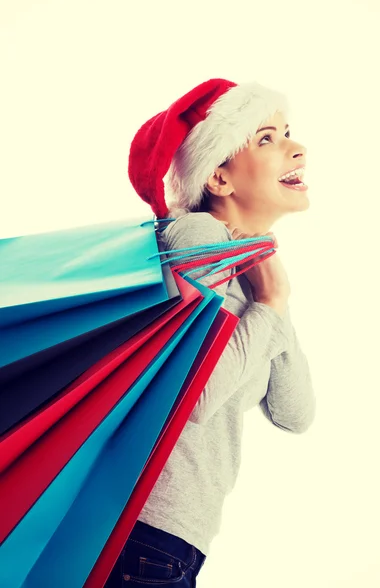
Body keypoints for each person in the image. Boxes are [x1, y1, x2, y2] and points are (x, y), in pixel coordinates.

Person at [105, 78, 316, 586]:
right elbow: (194, 393)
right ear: (218, 178)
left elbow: (295, 413)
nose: (297, 148)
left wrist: (270, 293)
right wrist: (270, 304)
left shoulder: (250, 266)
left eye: (289, 133)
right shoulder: (198, 236)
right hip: (141, 535)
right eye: (267, 139)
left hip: (170, 545)